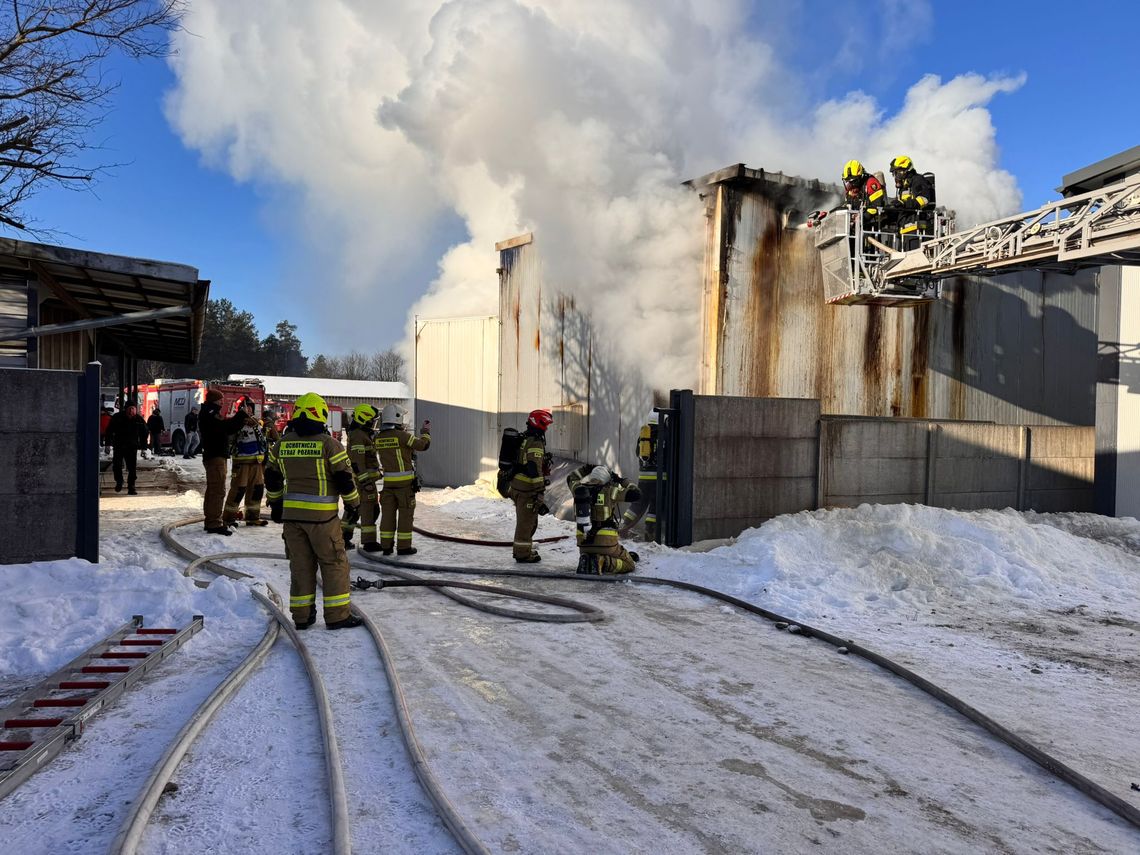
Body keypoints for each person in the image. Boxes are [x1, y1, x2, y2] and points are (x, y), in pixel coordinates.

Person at [265, 392, 362, 630]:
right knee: (334, 564)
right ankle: (338, 615)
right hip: (323, 520)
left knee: (300, 567)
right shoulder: (330, 444)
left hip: (293, 520)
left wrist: (276, 504)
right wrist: (354, 505)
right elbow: (344, 480)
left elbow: (271, 477)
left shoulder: (281, 444)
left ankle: (301, 616)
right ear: (320, 415)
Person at [373, 403, 431, 556]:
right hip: (405, 486)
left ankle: (386, 546)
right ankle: (404, 547)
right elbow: (423, 446)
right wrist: (425, 433)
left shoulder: (379, 438)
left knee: (387, 516)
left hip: (388, 485)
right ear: (396, 418)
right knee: (405, 516)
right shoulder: (403, 436)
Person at [567, 464, 642, 575]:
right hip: (606, 543)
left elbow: (570, 478)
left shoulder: (578, 489)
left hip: (583, 544)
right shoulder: (611, 491)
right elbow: (636, 493)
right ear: (606, 480)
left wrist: (587, 468)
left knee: (590, 552)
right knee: (629, 564)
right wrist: (621, 480)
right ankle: (604, 561)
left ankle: (586, 558)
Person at [199, 388, 253, 536]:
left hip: (214, 455)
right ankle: (214, 523)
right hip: (215, 456)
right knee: (218, 490)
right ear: (214, 400)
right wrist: (241, 415)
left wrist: (240, 418)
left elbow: (227, 428)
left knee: (213, 490)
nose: (222, 402)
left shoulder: (209, 413)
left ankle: (211, 520)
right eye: (220, 400)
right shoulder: (210, 414)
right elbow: (225, 428)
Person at [508, 408, 553, 563]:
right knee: (525, 524)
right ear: (539, 423)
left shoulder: (525, 438)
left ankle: (523, 550)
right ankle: (522, 554)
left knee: (528, 522)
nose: (546, 428)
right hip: (527, 490)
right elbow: (534, 469)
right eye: (545, 425)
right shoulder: (535, 442)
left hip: (517, 486)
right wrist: (540, 491)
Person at [223, 396, 269, 527]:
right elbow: (230, 438)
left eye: (250, 407)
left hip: (257, 462)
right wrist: (241, 423)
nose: (248, 410)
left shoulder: (257, 423)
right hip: (241, 463)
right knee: (238, 490)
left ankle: (253, 517)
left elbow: (263, 441)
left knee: (257, 490)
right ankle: (228, 518)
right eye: (246, 407)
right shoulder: (236, 422)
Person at [345, 403, 382, 551]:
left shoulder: (360, 434)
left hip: (364, 481)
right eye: (372, 420)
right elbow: (356, 461)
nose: (373, 423)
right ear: (363, 419)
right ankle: (369, 542)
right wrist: (365, 481)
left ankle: (343, 538)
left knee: (356, 510)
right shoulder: (358, 436)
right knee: (368, 510)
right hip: (363, 482)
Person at [622, 409, 659, 541]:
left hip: (643, 477)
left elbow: (639, 454)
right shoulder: (664, 434)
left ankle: (624, 524)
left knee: (638, 503)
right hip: (658, 478)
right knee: (655, 504)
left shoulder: (644, 436)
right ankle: (650, 531)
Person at [889, 155, 936, 248]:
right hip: (906, 233)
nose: (896, 177)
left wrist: (903, 204)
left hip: (916, 233)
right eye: (894, 174)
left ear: (906, 170)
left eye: (897, 173)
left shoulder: (917, 180)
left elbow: (924, 199)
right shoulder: (904, 187)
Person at [104, 403, 147, 495]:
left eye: (133, 409)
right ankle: (119, 481)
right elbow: (109, 431)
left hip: (132, 447)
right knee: (117, 465)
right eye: (130, 409)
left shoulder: (138, 419)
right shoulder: (117, 417)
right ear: (126, 409)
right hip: (119, 445)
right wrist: (107, 444)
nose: (131, 411)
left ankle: (131, 486)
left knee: (132, 468)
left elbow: (144, 433)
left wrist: (144, 447)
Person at [841, 159, 889, 230]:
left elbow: (877, 205)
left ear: (861, 176)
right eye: (848, 181)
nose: (852, 184)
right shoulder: (850, 190)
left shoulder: (871, 182)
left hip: (871, 226)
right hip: (856, 228)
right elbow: (847, 206)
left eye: (854, 181)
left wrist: (862, 217)